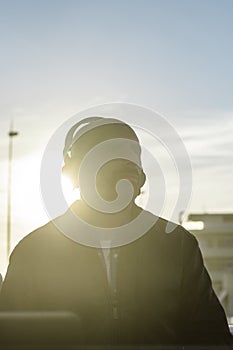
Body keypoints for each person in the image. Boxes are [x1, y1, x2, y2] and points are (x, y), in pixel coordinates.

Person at [0, 117, 232, 347]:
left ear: (140, 178)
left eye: (128, 168)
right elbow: (11, 338)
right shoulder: (34, 251)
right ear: (77, 174)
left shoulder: (177, 244)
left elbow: (211, 336)